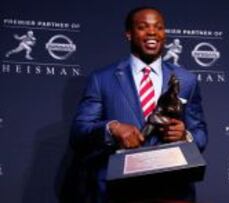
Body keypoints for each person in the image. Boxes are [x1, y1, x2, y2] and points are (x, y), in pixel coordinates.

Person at [70, 7, 208, 203]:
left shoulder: (186, 80)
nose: (152, 32)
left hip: (173, 191)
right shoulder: (102, 79)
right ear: (129, 34)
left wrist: (185, 135)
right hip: (119, 192)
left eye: (158, 27)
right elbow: (78, 132)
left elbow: (201, 134)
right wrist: (112, 128)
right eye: (143, 27)